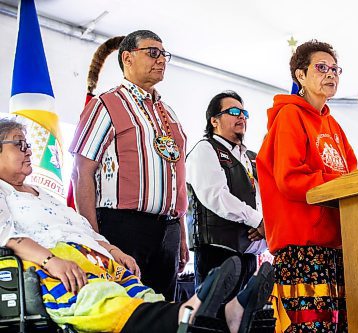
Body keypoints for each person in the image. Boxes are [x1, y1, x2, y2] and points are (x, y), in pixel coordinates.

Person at [0, 118, 274, 333]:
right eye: (19, 144)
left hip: (95, 257)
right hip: (56, 263)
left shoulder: (43, 194)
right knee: (100, 299)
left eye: (27, 144)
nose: (29, 150)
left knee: (144, 295)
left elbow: (80, 227)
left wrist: (111, 249)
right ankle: (191, 314)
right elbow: (7, 236)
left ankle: (229, 315)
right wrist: (50, 260)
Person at [69, 30, 189, 300]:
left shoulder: (168, 112)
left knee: (164, 311)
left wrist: (181, 233)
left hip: (168, 227)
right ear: (128, 58)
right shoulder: (106, 104)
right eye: (153, 53)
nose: (161, 60)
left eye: (164, 54)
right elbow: (81, 172)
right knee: (128, 309)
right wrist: (94, 238)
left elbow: (175, 178)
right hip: (124, 226)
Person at [256, 40, 358, 332]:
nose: (331, 74)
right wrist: (339, 185)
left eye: (335, 69)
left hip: (336, 249)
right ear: (300, 76)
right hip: (303, 250)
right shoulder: (289, 116)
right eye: (321, 67)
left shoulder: (333, 126)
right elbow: (289, 179)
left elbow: (353, 175)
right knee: (311, 328)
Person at [186, 91, 266, 295]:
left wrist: (266, 224)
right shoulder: (205, 149)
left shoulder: (251, 157)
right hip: (217, 255)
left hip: (249, 258)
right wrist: (257, 220)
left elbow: (264, 198)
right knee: (213, 322)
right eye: (233, 111)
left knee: (242, 323)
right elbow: (216, 196)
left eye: (244, 112)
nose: (241, 116)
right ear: (214, 120)